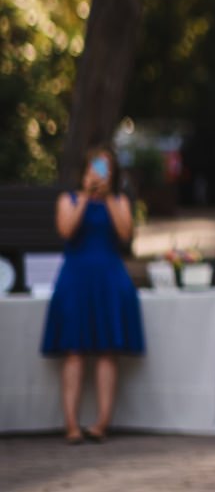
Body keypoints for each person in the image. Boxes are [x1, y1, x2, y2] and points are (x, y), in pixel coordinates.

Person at [41, 145, 144, 444]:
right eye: (94, 168)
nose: (99, 173)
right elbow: (66, 230)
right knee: (73, 351)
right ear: (84, 171)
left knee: (107, 351)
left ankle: (102, 423)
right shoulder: (69, 199)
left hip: (109, 279)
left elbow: (126, 235)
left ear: (113, 173)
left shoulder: (120, 201)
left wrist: (108, 198)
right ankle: (71, 424)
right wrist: (86, 196)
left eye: (105, 168)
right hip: (76, 279)